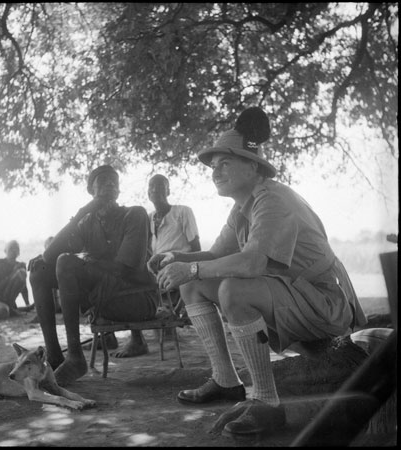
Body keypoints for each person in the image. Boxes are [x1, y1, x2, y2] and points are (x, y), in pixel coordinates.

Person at [148, 106, 367, 436]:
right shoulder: (242, 206)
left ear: (253, 166)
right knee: (193, 284)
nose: (216, 172)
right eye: (214, 166)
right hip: (295, 297)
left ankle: (268, 403)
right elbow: (215, 255)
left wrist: (190, 267)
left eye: (226, 163)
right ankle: (226, 380)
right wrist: (175, 256)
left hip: (326, 303)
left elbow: (252, 264)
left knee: (232, 289)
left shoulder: (272, 199)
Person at [28, 164, 158, 386]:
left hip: (136, 300)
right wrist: (82, 212)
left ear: (118, 191)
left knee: (66, 263)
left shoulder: (134, 214)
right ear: (91, 191)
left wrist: (83, 262)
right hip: (102, 300)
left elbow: (126, 268)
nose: (110, 185)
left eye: (114, 182)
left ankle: (76, 358)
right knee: (39, 272)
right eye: (103, 181)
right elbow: (49, 256)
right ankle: (55, 356)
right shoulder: (87, 222)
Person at [113, 174, 201, 358]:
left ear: (168, 191)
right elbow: (143, 250)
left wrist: (192, 272)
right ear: (148, 193)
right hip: (155, 269)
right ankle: (131, 337)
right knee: (124, 273)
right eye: (152, 187)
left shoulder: (183, 211)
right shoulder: (147, 217)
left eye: (161, 187)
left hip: (178, 265)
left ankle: (141, 337)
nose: (155, 190)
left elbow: (196, 247)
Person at [0, 240, 32, 319]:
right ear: (5, 250)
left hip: (7, 301)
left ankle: (13, 307)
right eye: (11, 248)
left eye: (16, 249)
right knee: (3, 311)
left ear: (19, 252)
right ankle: (11, 308)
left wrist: (27, 304)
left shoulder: (20, 266)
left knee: (21, 272)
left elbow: (23, 287)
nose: (13, 251)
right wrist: (12, 274)